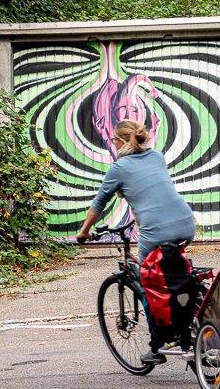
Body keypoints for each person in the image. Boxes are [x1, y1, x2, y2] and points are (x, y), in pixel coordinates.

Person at [77, 120, 196, 365]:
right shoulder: (157, 157)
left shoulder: (118, 168)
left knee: (148, 284)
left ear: (120, 142)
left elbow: (99, 204)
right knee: (177, 269)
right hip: (185, 222)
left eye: (113, 140)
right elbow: (152, 190)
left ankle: (156, 346)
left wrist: (84, 232)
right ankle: (191, 313)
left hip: (155, 232)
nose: (113, 144)